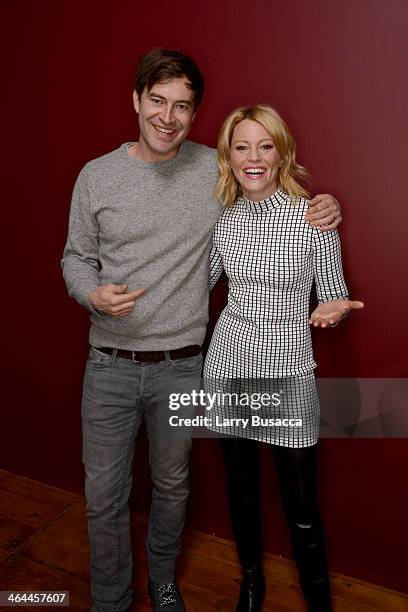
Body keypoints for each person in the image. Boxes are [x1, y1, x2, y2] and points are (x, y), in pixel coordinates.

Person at [61, 48, 343, 612]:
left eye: (182, 106)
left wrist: (323, 208)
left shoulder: (214, 177)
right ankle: (113, 601)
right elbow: (76, 257)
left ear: (194, 114)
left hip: (186, 366)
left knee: (175, 488)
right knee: (104, 497)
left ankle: (164, 584)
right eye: (157, 101)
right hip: (116, 362)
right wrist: (90, 291)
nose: (167, 116)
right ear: (137, 101)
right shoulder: (99, 176)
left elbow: (282, 226)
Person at [204, 104, 364, 611]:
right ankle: (251, 585)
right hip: (226, 369)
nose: (253, 158)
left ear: (282, 154)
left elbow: (334, 292)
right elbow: (197, 285)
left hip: (289, 373)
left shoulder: (313, 216)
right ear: (228, 158)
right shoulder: (223, 221)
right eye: (241, 147)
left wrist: (332, 310)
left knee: (301, 506)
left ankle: (320, 602)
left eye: (265, 146)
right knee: (242, 492)